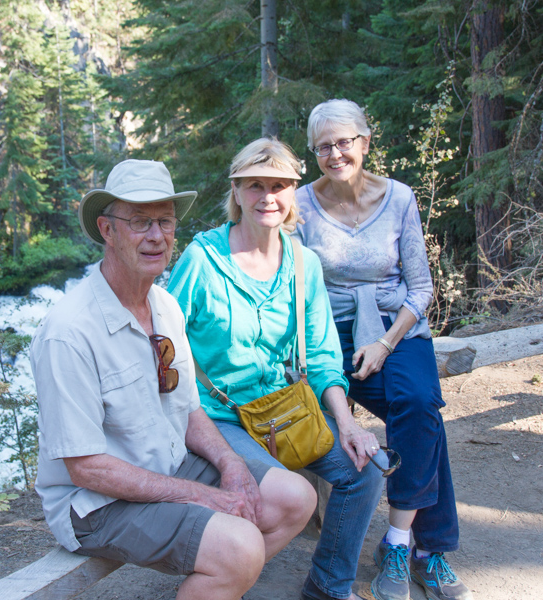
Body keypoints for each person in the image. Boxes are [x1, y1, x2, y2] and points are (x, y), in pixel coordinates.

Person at [31, 159, 316, 600]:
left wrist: (232, 464)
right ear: (107, 230)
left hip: (165, 465)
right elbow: (84, 467)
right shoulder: (69, 332)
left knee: (295, 497)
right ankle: (224, 573)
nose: (156, 236)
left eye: (165, 221)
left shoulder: (164, 306)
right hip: (97, 505)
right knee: (240, 548)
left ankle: (216, 587)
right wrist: (200, 497)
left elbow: (188, 409)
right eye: (140, 222)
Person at [167, 139, 384, 600]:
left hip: (283, 409)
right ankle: (221, 581)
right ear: (237, 192)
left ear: (293, 192)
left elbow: (325, 355)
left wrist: (347, 424)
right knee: (279, 495)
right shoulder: (202, 261)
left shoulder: (303, 263)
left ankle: (328, 586)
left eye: (279, 185)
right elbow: (164, 344)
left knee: (363, 470)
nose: (268, 197)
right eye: (255, 186)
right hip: (219, 416)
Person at [294, 99, 472, 600]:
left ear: (365, 142)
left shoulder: (399, 198)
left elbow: (421, 288)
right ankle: (429, 550)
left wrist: (385, 343)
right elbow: (290, 279)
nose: (334, 154)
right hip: (328, 333)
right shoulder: (301, 206)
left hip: (396, 326)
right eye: (323, 146)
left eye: (344, 142)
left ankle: (398, 542)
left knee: (418, 405)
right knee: (424, 421)